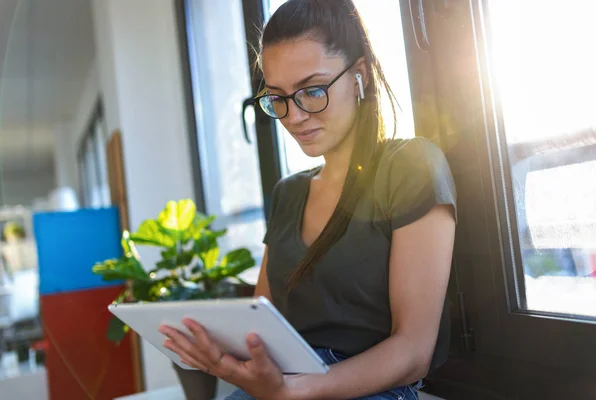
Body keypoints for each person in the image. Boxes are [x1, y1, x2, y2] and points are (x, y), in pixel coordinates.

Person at [159, 1, 456, 398]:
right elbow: (260, 326)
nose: (294, 116)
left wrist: (300, 390)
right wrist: (224, 355)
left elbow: (413, 350)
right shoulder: (288, 193)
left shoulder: (410, 167)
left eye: (312, 91)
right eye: (277, 97)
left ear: (359, 77)